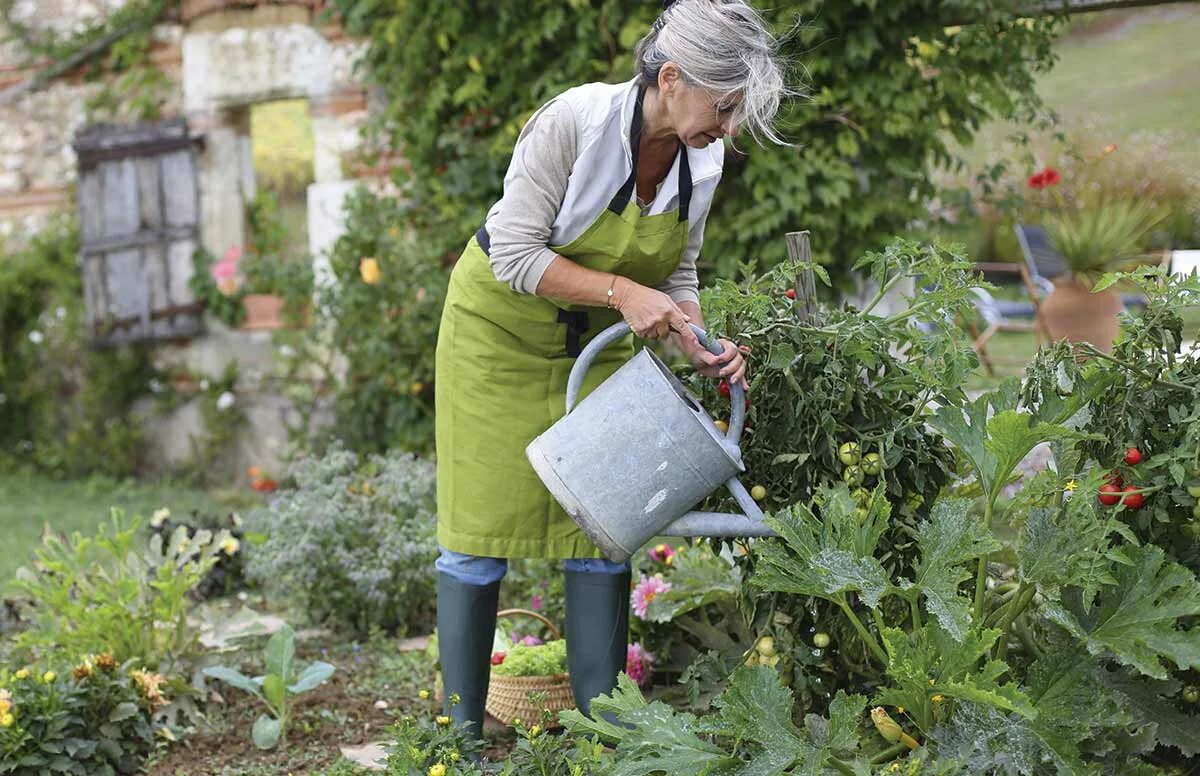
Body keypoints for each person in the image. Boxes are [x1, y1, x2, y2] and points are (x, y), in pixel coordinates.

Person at [433, 0, 789, 740]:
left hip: (597, 348)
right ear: (671, 77)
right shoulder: (573, 125)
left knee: (608, 526)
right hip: (496, 339)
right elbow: (515, 253)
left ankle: (603, 736)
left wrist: (696, 340)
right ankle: (458, 741)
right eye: (724, 106)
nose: (727, 126)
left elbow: (678, 269)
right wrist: (624, 293)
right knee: (475, 536)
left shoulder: (705, 157)